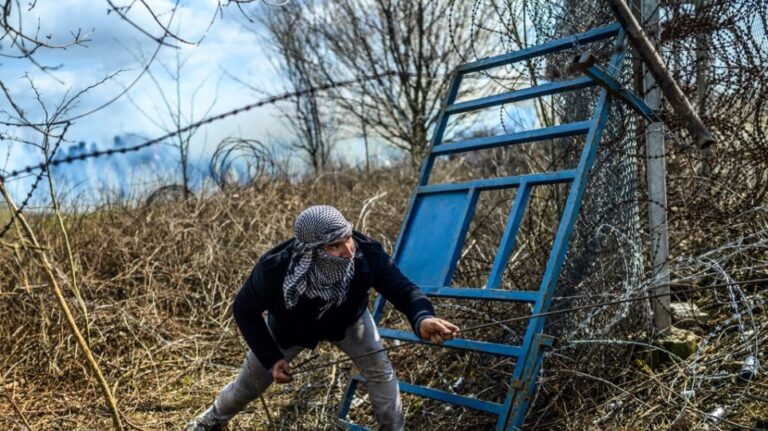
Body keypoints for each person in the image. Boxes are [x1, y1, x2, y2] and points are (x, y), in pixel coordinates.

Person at [185, 205, 459, 431]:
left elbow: (402, 288)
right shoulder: (274, 269)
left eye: (348, 238)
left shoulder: (366, 252)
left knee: (380, 372)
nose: (348, 250)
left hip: (350, 321)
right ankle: (211, 421)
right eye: (334, 245)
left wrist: (422, 317)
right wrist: (272, 359)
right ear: (311, 249)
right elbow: (244, 311)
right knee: (247, 386)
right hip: (289, 329)